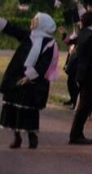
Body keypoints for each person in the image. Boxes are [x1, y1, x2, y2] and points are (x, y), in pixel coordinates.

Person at [1, 13, 58, 149]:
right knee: (13, 107)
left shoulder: (49, 44)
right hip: (17, 76)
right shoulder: (29, 36)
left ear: (43, 23)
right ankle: (17, 137)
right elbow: (12, 29)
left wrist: (30, 76)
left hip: (33, 81)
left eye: (36, 20)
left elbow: (44, 64)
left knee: (29, 110)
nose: (32, 21)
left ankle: (32, 136)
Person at [67, 0, 92, 145]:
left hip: (83, 74)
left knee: (84, 106)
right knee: (85, 106)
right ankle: (75, 135)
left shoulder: (84, 33)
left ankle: (78, 133)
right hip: (90, 75)